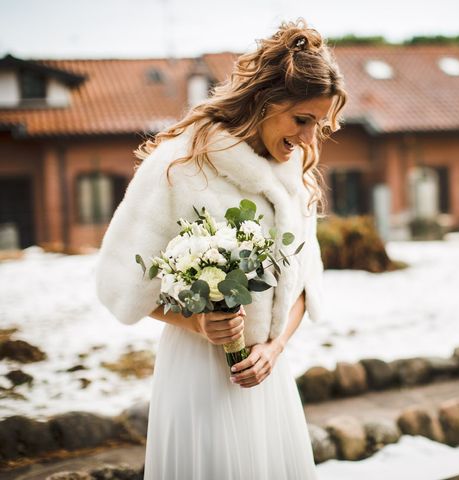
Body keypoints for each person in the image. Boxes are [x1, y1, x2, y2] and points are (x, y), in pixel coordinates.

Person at [95, 18, 347, 479]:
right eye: (302, 120)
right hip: (198, 373)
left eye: (320, 124)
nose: (311, 140)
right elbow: (123, 283)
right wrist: (196, 321)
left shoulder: (295, 173)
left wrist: (273, 347)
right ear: (265, 101)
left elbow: (306, 280)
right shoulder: (179, 166)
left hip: (268, 376)